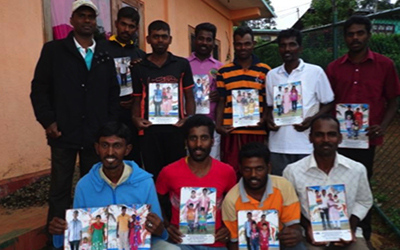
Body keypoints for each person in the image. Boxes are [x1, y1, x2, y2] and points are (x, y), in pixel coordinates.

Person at [30, 0, 120, 238]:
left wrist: (108, 128)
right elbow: (39, 89)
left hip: (95, 135)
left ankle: (94, 237)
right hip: (63, 132)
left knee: (95, 187)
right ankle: (57, 239)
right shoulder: (54, 51)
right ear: (72, 20)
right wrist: (48, 121)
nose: (87, 20)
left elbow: (113, 92)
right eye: (82, 15)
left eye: (91, 16)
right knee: (60, 189)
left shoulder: (104, 53)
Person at [326, 16, 400, 244]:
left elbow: (394, 98)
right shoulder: (334, 68)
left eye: (360, 33)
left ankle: (362, 231)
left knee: (362, 184)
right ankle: (335, 228)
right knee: (335, 183)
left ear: (368, 34)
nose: (355, 38)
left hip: (366, 140)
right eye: (350, 34)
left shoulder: (384, 65)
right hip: (338, 140)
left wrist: (383, 125)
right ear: (346, 37)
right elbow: (328, 101)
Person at [48, 122, 179, 250]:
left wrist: (160, 230)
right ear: (97, 148)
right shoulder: (84, 185)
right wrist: (59, 232)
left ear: (127, 149)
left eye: (117, 146)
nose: (110, 152)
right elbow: (80, 234)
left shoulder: (144, 182)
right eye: (105, 145)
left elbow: (158, 231)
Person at [283, 114, 373, 249]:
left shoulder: (357, 169)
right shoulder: (292, 171)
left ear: (340, 138)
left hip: (347, 232)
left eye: (331, 134)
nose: (325, 140)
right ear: (310, 138)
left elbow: (364, 200)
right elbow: (289, 206)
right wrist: (307, 227)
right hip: (309, 234)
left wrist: (350, 227)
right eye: (319, 135)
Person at [156, 114, 237, 250]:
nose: (198, 144)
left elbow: (235, 204)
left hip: (216, 243)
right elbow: (155, 200)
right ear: (186, 142)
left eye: (204, 138)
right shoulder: (169, 172)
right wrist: (167, 226)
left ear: (212, 141)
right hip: (182, 243)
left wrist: (228, 228)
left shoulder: (227, 172)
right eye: (193, 138)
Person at [264, 28, 334, 176]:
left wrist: (312, 120)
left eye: (292, 44)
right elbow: (270, 106)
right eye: (283, 45)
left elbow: (328, 102)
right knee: (281, 191)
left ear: (300, 48)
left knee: (305, 191)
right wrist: (269, 121)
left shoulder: (315, 72)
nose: (287, 49)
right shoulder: (271, 75)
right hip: (278, 145)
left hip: (305, 145)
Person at [131, 20, 195, 180]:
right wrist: (135, 118)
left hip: (176, 129)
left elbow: (189, 96)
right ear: (148, 39)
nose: (160, 40)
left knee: (176, 173)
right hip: (149, 130)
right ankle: (157, 204)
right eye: (156, 36)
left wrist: (189, 119)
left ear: (170, 39)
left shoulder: (181, 64)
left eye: (164, 37)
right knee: (152, 174)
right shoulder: (139, 67)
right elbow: (137, 98)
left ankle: (172, 205)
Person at [222, 142, 306, 250]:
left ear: (269, 168)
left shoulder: (283, 186)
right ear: (240, 168)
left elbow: (293, 226)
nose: (253, 175)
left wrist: (294, 234)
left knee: (296, 245)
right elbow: (234, 242)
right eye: (247, 169)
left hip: (279, 243)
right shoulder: (231, 199)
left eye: (259, 169)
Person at [216, 26, 271, 173]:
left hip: (256, 131)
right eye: (239, 44)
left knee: (257, 171)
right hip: (232, 131)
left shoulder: (265, 70)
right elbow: (221, 101)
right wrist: (219, 126)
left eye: (247, 44)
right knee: (232, 171)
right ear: (234, 45)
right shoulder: (224, 71)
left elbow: (268, 101)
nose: (243, 47)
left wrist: (264, 119)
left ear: (253, 44)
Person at [99, 6, 146, 166]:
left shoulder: (140, 55)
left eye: (131, 26)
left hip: (131, 116)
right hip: (107, 113)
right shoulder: (101, 49)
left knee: (132, 157)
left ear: (137, 29)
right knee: (109, 157)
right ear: (116, 23)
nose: (126, 29)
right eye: (123, 24)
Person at [188, 22, 224, 160]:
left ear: (213, 42)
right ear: (195, 39)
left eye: (209, 39)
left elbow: (225, 95)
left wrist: (220, 95)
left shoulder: (220, 67)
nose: (204, 42)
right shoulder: (184, 64)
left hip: (213, 122)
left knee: (213, 160)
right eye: (201, 38)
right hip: (190, 122)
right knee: (191, 159)